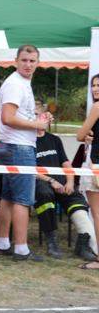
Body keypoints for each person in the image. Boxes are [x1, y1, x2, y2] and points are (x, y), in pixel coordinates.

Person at [0, 45, 52, 262]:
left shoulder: (20, 83)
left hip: (14, 145)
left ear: (38, 62)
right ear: (16, 60)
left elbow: (17, 116)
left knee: (8, 197)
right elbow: (8, 117)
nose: (28, 64)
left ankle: (3, 243)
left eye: (32, 60)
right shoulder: (15, 84)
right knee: (22, 200)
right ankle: (21, 249)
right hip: (18, 147)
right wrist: (35, 124)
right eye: (25, 60)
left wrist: (37, 122)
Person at [35, 101, 95, 260]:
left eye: (43, 115)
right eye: (36, 115)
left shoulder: (54, 139)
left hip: (63, 184)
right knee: (44, 194)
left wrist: (69, 181)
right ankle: (52, 242)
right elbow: (30, 171)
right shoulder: (27, 142)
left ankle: (83, 244)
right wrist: (51, 181)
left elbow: (67, 164)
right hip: (43, 183)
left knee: (78, 199)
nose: (42, 119)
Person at [75, 73, 99, 265]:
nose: (95, 89)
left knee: (97, 212)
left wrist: (86, 136)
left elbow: (80, 134)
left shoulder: (97, 106)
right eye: (93, 85)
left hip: (96, 165)